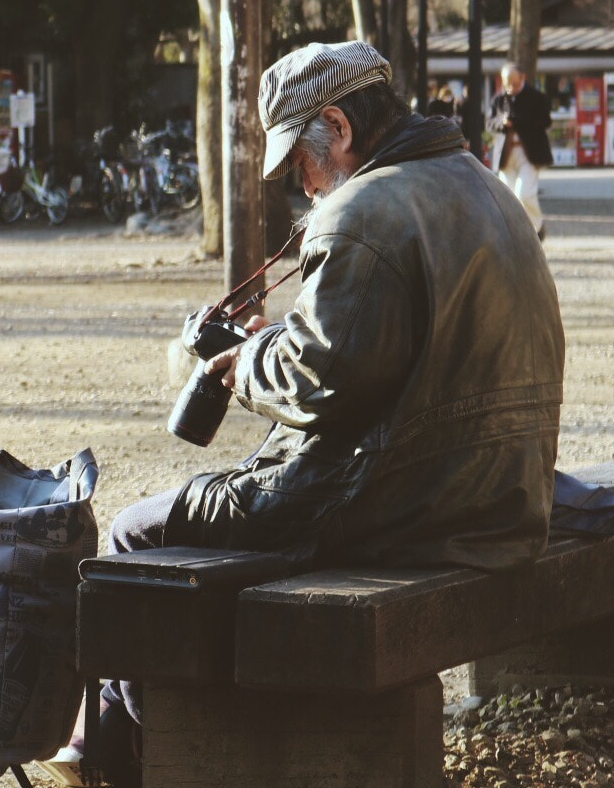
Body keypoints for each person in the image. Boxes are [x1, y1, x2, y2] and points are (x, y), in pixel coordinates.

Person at [92, 41, 563, 785]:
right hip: (500, 495)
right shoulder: (480, 183)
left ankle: (121, 762)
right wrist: (273, 343)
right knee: (188, 540)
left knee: (131, 536)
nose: (302, 188)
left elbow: (320, 380)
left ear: (338, 129)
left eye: (299, 166)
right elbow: (384, 351)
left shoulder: (363, 210)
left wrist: (243, 363)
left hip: (413, 506)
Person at [489, 64, 552, 238]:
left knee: (524, 194)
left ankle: (537, 228)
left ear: (523, 78)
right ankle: (516, 234)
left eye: (514, 84)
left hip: (528, 152)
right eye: (507, 84)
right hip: (506, 154)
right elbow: (489, 123)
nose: (511, 88)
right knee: (508, 198)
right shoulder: (499, 99)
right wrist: (502, 123)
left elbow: (545, 121)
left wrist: (519, 121)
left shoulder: (536, 98)